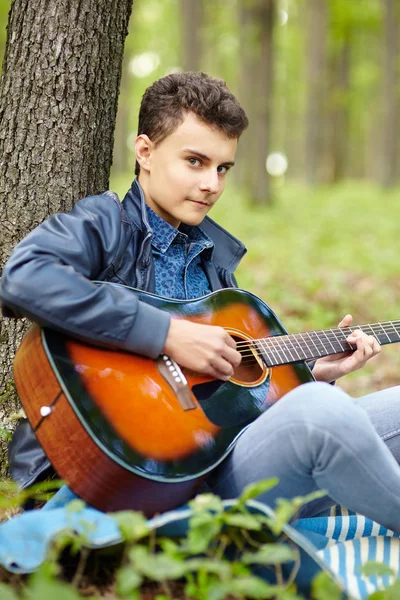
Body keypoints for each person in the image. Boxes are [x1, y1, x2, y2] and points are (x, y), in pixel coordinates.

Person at [1, 72, 400, 532]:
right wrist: (167, 334)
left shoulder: (214, 266)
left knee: (333, 405)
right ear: (145, 152)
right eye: (195, 161)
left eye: (223, 168)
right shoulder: (104, 224)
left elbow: (233, 410)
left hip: (218, 469)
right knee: (321, 414)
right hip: (122, 477)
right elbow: (25, 278)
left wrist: (313, 375)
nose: (212, 183)